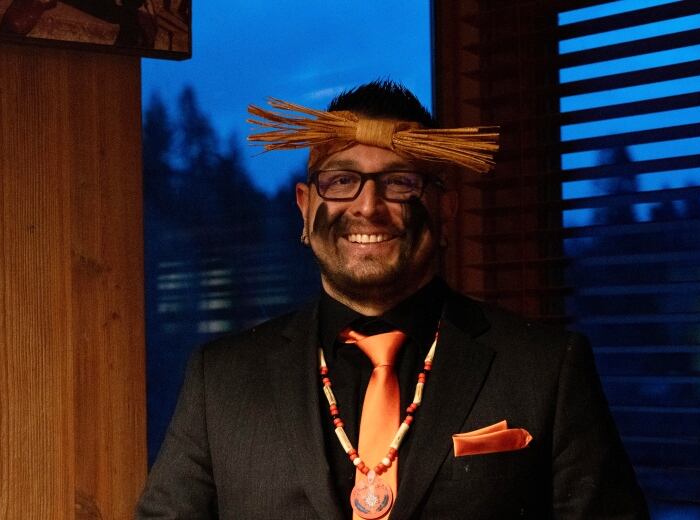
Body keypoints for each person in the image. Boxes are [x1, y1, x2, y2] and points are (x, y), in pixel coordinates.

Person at [136, 80, 648, 519]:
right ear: (304, 206)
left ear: (444, 208)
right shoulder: (220, 380)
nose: (368, 207)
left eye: (400, 182)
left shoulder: (546, 369)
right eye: (341, 181)